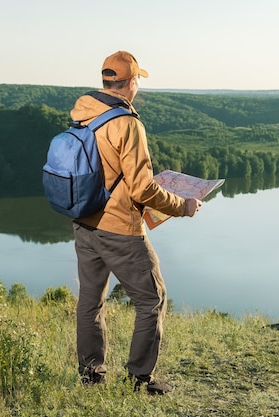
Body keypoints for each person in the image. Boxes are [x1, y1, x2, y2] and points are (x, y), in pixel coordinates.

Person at [70, 51, 201, 395]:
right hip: (119, 229)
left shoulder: (83, 114)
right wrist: (181, 206)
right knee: (152, 299)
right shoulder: (127, 124)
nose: (138, 85)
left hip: (85, 221)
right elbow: (142, 188)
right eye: (137, 79)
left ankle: (91, 375)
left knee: (90, 299)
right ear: (130, 83)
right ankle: (140, 379)